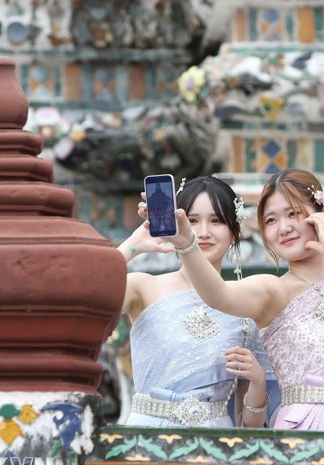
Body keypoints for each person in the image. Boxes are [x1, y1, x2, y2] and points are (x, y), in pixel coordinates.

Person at [162, 169, 324, 433]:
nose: (284, 228)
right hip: (305, 432)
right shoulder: (273, 291)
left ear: (323, 215)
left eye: (293, 214)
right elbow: (218, 295)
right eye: (271, 220)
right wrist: (187, 244)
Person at [118, 176, 278, 428]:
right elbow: (82, 298)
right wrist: (133, 245)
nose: (203, 233)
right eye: (191, 221)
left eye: (216, 221)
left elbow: (250, 426)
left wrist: (258, 381)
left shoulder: (245, 307)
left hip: (214, 439)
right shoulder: (143, 287)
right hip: (147, 434)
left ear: (235, 231)